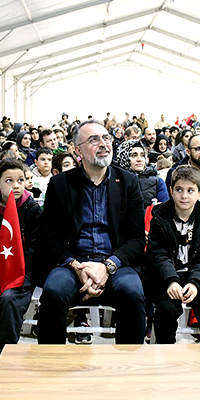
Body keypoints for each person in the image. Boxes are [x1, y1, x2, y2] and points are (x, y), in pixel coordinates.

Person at [36, 120, 146, 344]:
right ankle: (49, 369)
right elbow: (47, 237)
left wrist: (108, 266)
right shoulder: (60, 184)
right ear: (78, 151)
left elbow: (136, 238)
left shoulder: (128, 182)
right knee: (54, 293)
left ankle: (128, 371)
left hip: (116, 265)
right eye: (93, 140)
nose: (103, 144)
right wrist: (76, 266)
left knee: (133, 294)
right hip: (71, 264)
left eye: (106, 138)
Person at [146, 166, 200, 344]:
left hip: (197, 278)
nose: (184, 196)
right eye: (179, 190)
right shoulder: (160, 218)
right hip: (167, 278)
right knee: (166, 310)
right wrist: (171, 280)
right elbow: (157, 254)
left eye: (190, 190)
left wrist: (196, 283)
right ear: (171, 191)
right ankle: (166, 356)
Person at [0, 159, 42, 355]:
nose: (16, 185)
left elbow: (37, 246)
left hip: (22, 269)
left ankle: (5, 349)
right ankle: (2, 341)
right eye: (9, 181)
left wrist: (17, 265)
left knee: (11, 298)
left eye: (20, 180)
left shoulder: (32, 208)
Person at [114, 139, 168, 206]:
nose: (139, 159)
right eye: (134, 155)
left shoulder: (157, 181)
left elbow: (165, 209)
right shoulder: (114, 181)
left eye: (142, 155)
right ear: (124, 158)